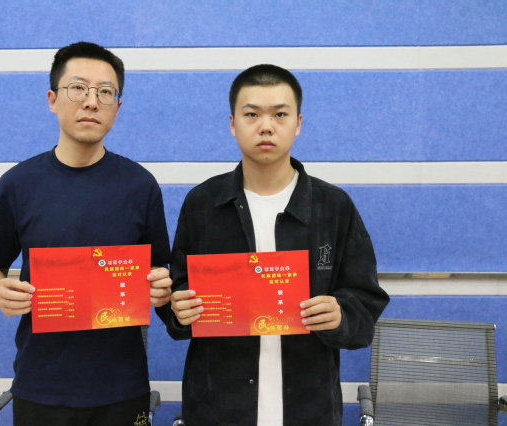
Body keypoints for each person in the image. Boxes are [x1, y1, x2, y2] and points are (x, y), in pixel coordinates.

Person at [157, 64, 389, 425]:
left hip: (309, 407)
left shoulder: (333, 206)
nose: (266, 126)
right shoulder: (203, 204)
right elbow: (178, 293)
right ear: (233, 123)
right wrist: (178, 309)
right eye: (252, 114)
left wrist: (341, 315)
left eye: (280, 114)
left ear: (298, 123)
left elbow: (366, 300)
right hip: (219, 407)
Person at [0, 41, 172, 426]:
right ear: (52, 99)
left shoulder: (140, 186)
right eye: (78, 88)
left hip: (122, 386)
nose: (91, 102)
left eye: (105, 92)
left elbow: (160, 271)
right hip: (41, 384)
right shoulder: (18, 184)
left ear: (117, 107)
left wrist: (161, 287)